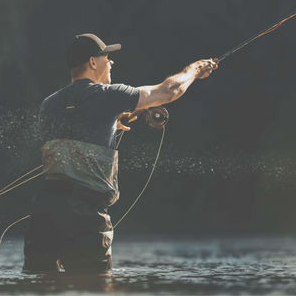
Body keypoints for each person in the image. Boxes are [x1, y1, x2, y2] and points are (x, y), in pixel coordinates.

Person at [23, 33, 218, 272]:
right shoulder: (110, 95)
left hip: (44, 213)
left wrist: (107, 122)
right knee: (94, 287)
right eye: (106, 56)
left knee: (40, 286)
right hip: (86, 215)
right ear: (93, 62)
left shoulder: (49, 103)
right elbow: (169, 91)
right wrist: (196, 69)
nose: (111, 62)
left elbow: (66, 136)